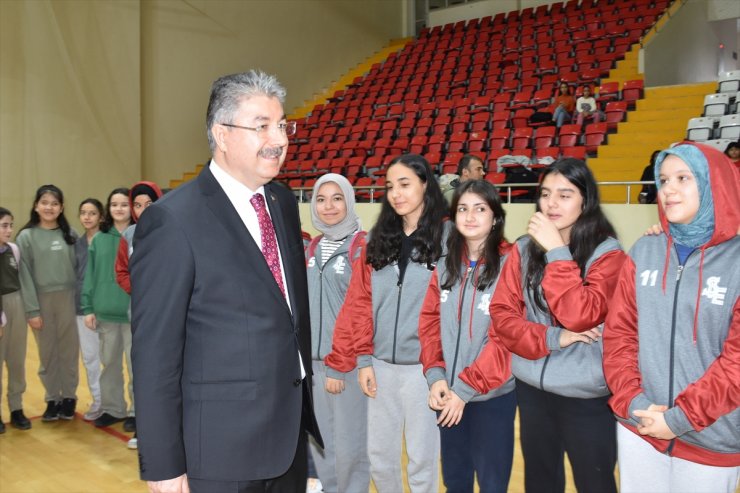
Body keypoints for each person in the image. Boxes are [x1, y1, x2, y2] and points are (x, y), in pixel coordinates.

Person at [130, 70, 321, 493]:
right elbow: (154, 354)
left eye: (282, 124)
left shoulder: (283, 203)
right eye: (262, 126)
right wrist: (163, 464)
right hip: (217, 454)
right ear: (222, 133)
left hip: (288, 441)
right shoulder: (173, 221)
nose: (280, 138)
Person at [603, 142, 740, 493]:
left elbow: (735, 363)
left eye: (683, 178)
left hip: (710, 439)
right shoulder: (645, 250)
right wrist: (634, 402)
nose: (669, 190)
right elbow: (619, 335)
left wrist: (679, 419)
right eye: (663, 180)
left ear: (714, 184)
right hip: (640, 427)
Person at [489, 158, 625, 493]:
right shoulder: (522, 248)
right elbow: (504, 318)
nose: (551, 203)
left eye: (565, 195)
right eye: (546, 194)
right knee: (540, 482)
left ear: (585, 200)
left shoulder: (609, 254)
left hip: (587, 395)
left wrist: (557, 252)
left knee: (594, 482)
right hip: (533, 388)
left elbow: (582, 314)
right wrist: (555, 337)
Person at [325, 153, 448, 493]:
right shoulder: (377, 239)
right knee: (380, 457)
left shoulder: (448, 239)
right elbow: (359, 304)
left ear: (426, 185)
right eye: (390, 186)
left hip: (425, 370)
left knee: (423, 460)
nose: (396, 193)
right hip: (379, 367)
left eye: (405, 184)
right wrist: (362, 359)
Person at [418, 180, 517, 493]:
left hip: (492, 398)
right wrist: (435, 377)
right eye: (462, 208)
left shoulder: (512, 263)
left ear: (495, 217)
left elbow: (506, 338)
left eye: (479, 208)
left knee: (492, 484)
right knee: (456, 481)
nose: (470, 216)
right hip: (449, 394)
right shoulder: (446, 264)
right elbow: (430, 322)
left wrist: (465, 388)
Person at [305, 173, 369, 493]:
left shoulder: (363, 246)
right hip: (314, 365)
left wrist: (339, 362)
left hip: (348, 364)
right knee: (322, 444)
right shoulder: (311, 248)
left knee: (350, 448)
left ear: (349, 200)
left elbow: (363, 311)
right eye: (321, 199)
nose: (328, 206)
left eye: (337, 198)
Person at [16, 185, 79, 422]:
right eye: (44, 202)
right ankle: (53, 398)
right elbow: (25, 276)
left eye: (54, 203)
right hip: (40, 301)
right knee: (48, 352)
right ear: (36, 206)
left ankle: (70, 397)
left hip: (68, 299)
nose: (49, 207)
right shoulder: (26, 237)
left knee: (69, 351)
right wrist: (32, 310)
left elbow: (79, 270)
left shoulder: (70, 234)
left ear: (61, 207)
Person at [81, 189, 135, 435]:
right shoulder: (99, 240)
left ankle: (138, 411)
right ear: (108, 209)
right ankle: (114, 409)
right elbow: (89, 276)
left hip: (135, 314)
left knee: (137, 367)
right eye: (114, 204)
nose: (119, 209)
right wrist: (89, 307)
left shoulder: (141, 235)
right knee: (110, 364)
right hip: (106, 314)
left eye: (124, 204)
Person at [0, 208, 32, 432]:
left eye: (11, 225)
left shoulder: (14, 250)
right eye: (4, 226)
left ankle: (16, 407)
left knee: (17, 359)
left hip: (16, 304)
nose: (9, 230)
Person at [74, 198, 105, 421]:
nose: (87, 217)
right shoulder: (75, 244)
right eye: (83, 213)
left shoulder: (108, 240)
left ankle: (115, 403)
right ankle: (98, 401)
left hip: (107, 309)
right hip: (82, 310)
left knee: (110, 359)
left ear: (101, 217)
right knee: (90, 358)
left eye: (92, 213)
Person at [114, 181, 163, 295]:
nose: (143, 211)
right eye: (138, 205)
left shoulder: (171, 232)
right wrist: (138, 289)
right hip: (139, 302)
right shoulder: (128, 234)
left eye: (149, 204)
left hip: (167, 299)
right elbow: (121, 272)